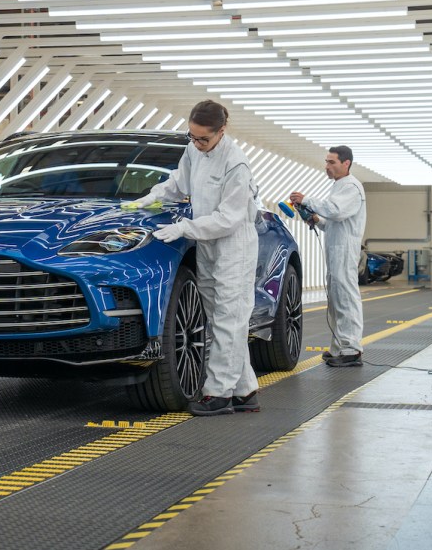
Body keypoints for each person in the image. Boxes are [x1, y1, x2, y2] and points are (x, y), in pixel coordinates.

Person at [127, 99, 261, 417]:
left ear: (222, 131)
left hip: (234, 247)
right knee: (219, 320)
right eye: (193, 136)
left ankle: (218, 393)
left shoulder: (236, 164)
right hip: (208, 245)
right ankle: (246, 392)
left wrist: (185, 227)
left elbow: (228, 218)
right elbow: (177, 184)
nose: (198, 144)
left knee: (229, 320)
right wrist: (147, 201)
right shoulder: (193, 151)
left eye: (204, 139)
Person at [290, 145, 366, 367]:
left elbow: (336, 211)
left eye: (332, 162)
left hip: (344, 251)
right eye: (326, 162)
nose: (327, 166)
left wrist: (307, 200)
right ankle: (339, 347)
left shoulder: (351, 187)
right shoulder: (339, 186)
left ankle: (351, 350)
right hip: (335, 249)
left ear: (346, 163)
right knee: (335, 300)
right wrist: (316, 220)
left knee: (345, 299)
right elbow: (334, 223)